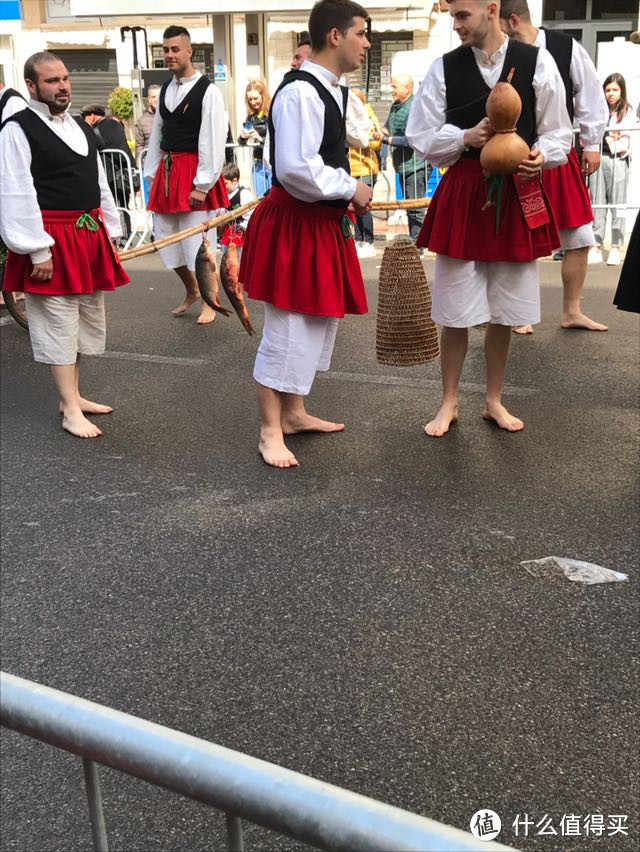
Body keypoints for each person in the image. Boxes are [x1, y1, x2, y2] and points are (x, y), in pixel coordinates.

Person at [406, 0, 572, 437]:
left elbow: (560, 131)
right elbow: (421, 135)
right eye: (452, 16)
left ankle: (494, 400)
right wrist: (465, 136)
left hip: (518, 188)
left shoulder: (537, 61)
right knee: (455, 307)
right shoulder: (444, 67)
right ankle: (449, 401)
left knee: (505, 308)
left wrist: (542, 155)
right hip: (465, 189)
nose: (456, 24)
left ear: (492, 9)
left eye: (462, 15)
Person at [239, 0, 372, 469]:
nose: (367, 42)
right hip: (296, 223)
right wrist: (351, 187)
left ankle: (293, 414)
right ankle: (269, 430)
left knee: (315, 321)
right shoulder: (299, 93)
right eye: (362, 33)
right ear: (335, 35)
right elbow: (295, 169)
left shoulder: (334, 91)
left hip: (319, 225)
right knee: (288, 328)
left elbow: (349, 140)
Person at [0, 52, 129, 438]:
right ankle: (71, 410)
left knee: (82, 321)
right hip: (51, 237)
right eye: (52, 80)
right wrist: (36, 248)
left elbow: (98, 180)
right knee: (57, 321)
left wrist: (111, 229)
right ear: (32, 86)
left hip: (87, 234)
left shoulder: (79, 126)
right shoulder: (17, 128)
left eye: (65, 79)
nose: (62, 86)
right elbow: (15, 191)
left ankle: (71, 396)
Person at [500, 0, 609, 334]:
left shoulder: (566, 48)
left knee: (579, 234)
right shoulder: (501, 54)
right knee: (521, 236)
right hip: (516, 159)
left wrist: (591, 144)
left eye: (499, 23)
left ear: (512, 20)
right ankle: (520, 314)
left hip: (558, 155)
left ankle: (571, 310)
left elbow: (589, 94)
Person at [144, 25, 228, 325]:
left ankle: (210, 301)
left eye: (175, 49)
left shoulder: (209, 91)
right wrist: (152, 175)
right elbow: (157, 134)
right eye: (165, 50)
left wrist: (203, 185)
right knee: (166, 240)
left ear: (189, 51)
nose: (169, 55)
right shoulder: (165, 89)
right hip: (168, 173)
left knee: (199, 242)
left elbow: (213, 139)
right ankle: (192, 289)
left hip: (194, 172)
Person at [590, 73, 636, 268]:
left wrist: (613, 139)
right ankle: (596, 245)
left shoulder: (627, 111)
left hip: (619, 160)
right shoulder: (598, 110)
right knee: (597, 202)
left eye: (615, 89)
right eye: (608, 89)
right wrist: (612, 137)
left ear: (622, 91)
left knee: (617, 204)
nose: (611, 93)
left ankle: (616, 246)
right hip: (600, 159)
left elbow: (625, 139)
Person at [378, 75, 429, 243]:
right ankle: (415, 240)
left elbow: (410, 140)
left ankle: (418, 243)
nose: (391, 91)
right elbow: (388, 127)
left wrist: (385, 139)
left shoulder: (414, 108)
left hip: (416, 165)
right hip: (402, 165)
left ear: (407, 88)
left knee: (415, 206)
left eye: (394, 87)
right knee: (408, 205)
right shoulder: (396, 106)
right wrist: (380, 132)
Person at [81, 104, 136, 243]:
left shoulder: (105, 126)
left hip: (115, 174)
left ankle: (122, 236)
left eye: (85, 116)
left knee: (117, 205)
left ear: (92, 115)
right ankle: (124, 234)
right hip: (121, 172)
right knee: (122, 204)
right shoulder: (114, 124)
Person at [349, 88, 381, 258]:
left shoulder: (367, 116)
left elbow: (376, 143)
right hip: (350, 169)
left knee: (365, 205)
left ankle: (368, 241)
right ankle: (358, 239)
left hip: (366, 168)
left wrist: (361, 139)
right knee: (354, 207)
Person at [238, 80, 272, 196]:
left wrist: (260, 138)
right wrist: (243, 137)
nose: (253, 102)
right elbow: (241, 142)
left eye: (256, 98)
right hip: (258, 164)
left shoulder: (273, 114)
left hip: (273, 163)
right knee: (260, 201)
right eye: (250, 99)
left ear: (263, 96)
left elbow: (278, 141)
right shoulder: (251, 118)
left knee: (275, 202)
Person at [219, 162, 254, 248]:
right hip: (228, 233)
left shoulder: (244, 194)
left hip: (241, 235)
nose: (222, 187)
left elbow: (251, 216)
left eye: (225, 183)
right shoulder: (224, 195)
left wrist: (242, 228)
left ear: (234, 181)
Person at [134, 83, 160, 158]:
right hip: (149, 163)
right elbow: (139, 145)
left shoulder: (170, 116)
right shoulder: (142, 120)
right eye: (153, 97)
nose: (156, 99)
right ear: (149, 99)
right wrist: (141, 163)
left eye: (159, 96)